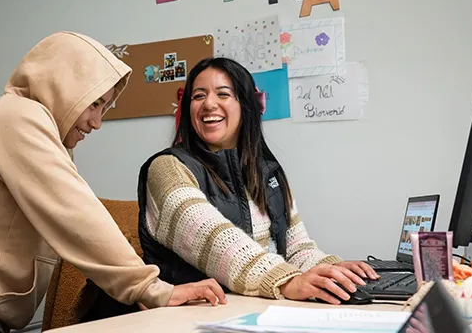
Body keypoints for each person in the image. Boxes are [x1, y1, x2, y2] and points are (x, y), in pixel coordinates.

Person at [0, 32, 225, 333]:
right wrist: (151, 289)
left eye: (105, 109)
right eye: (94, 104)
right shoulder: (19, 117)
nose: (96, 123)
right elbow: (76, 215)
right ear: (62, 85)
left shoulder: (35, 129)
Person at [137, 57, 380, 306]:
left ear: (246, 105)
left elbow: (296, 248)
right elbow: (216, 241)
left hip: (260, 308)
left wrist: (334, 270)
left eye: (223, 94)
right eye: (198, 96)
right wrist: (286, 281)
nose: (209, 104)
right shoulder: (167, 169)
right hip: (193, 316)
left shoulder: (268, 172)